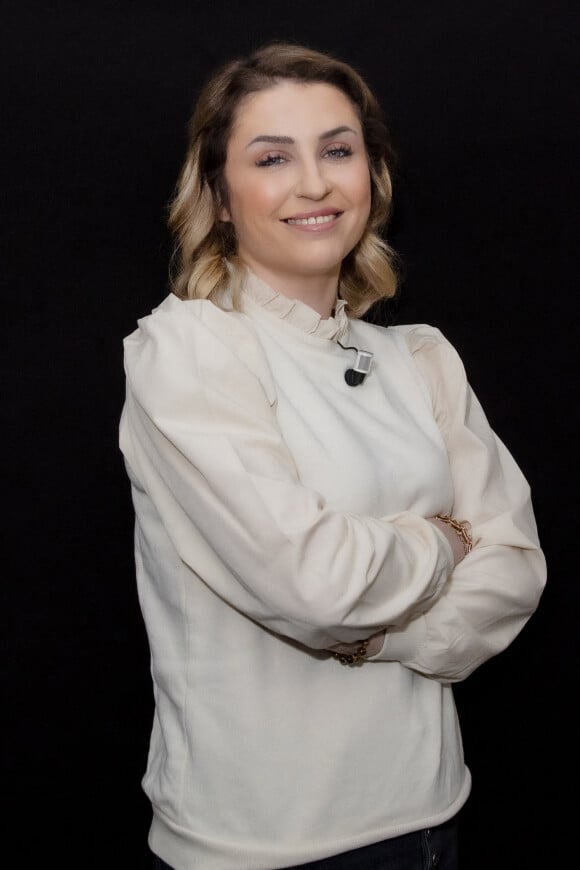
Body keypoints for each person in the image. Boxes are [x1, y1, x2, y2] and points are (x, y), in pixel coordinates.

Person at [119, 41, 546, 870]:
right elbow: (316, 585)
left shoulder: (420, 357)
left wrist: (380, 641)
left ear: (372, 178)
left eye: (338, 150)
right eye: (272, 157)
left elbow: (519, 569)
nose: (314, 184)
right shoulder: (187, 351)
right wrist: (448, 540)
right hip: (259, 842)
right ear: (219, 193)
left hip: (429, 814)